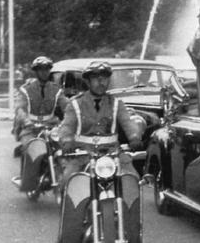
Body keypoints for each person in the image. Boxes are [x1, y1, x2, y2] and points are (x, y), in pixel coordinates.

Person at [56, 60, 144, 242]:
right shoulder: (75, 104)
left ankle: (134, 231)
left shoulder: (117, 103)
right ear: (88, 81)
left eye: (104, 78)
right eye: (96, 78)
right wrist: (66, 141)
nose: (101, 82)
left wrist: (135, 137)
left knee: (132, 180)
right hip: (82, 155)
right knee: (68, 181)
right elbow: (66, 127)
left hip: (113, 155)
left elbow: (128, 122)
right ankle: (69, 233)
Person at [12, 56, 69, 188]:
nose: (44, 72)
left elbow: (67, 106)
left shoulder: (56, 89)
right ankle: (28, 182)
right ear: (36, 72)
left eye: (47, 69)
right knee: (32, 147)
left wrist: (74, 116)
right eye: (41, 70)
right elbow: (20, 108)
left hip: (51, 126)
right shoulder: (26, 89)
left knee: (66, 147)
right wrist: (26, 121)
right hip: (31, 127)